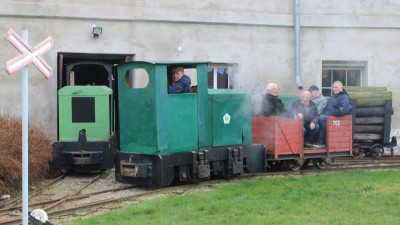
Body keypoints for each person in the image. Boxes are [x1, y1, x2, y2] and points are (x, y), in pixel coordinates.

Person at [315, 81, 352, 147]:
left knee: (321, 118)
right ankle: (314, 140)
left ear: (341, 88)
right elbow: (327, 109)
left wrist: (329, 113)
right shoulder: (332, 97)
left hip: (338, 118)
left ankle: (321, 142)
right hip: (330, 116)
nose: (334, 89)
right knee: (316, 118)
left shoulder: (344, 97)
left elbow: (342, 111)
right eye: (333, 87)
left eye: (336, 87)